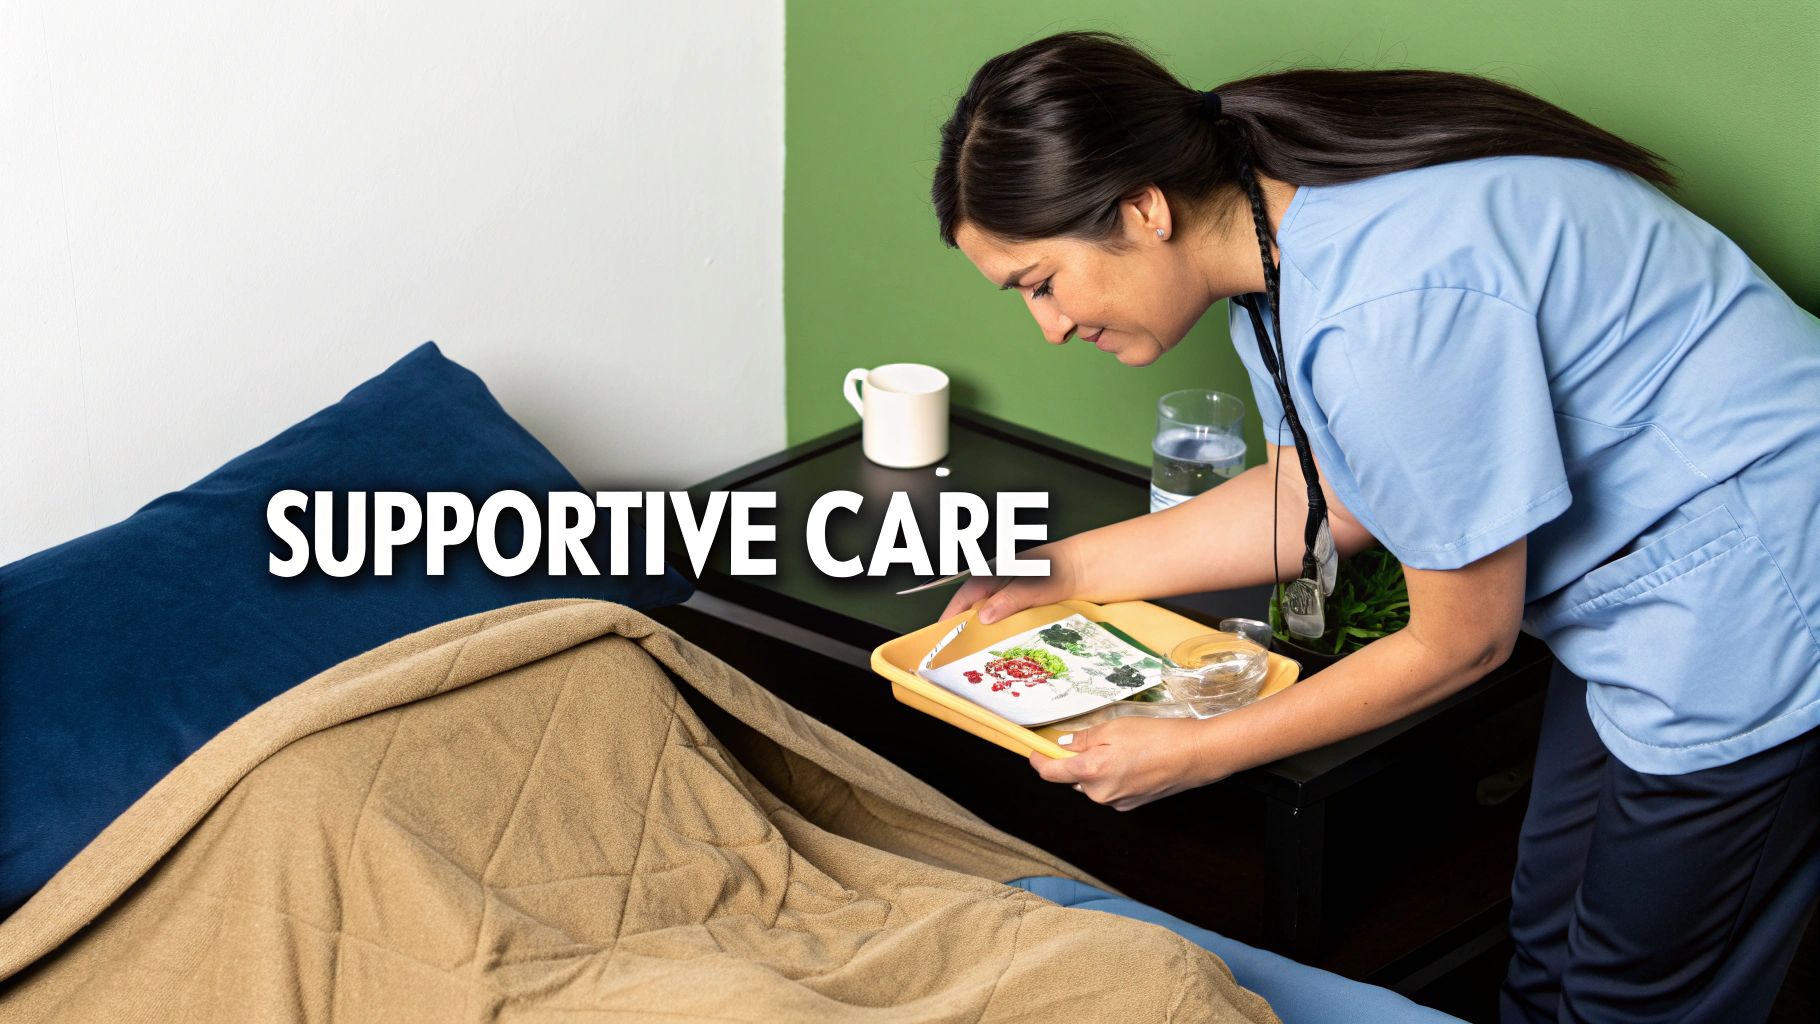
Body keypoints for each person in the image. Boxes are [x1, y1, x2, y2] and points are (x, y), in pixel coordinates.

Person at [929, 30, 1820, 1024]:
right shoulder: (1278, 245)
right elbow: (1329, 499)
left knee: (1630, 998)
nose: (1046, 326)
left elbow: (1460, 644)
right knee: (1543, 945)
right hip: (1643, 593)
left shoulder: (1380, 314)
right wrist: (1062, 568)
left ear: (1142, 209)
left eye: (1038, 282)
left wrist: (1196, 751)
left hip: (1759, 580)